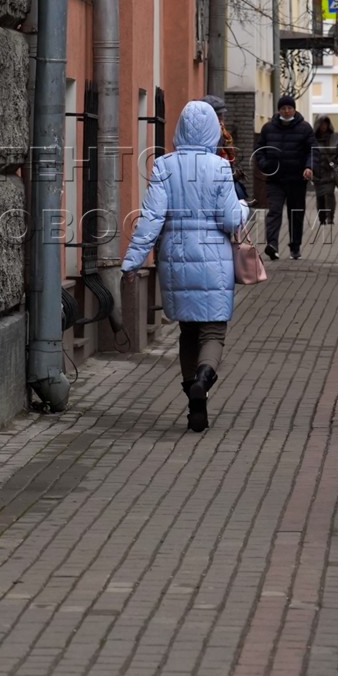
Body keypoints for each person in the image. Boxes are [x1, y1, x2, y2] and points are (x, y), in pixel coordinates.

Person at [122, 100, 251, 433]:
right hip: (214, 260)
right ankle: (204, 381)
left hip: (175, 258)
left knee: (188, 331)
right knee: (213, 330)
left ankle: (192, 393)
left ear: (179, 129)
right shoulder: (220, 168)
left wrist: (132, 260)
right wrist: (242, 207)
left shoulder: (163, 166)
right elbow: (229, 220)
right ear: (212, 129)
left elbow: (150, 219)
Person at [255, 94, 315, 261]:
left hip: (297, 179)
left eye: (289, 108)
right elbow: (259, 149)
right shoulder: (268, 128)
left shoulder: (304, 128)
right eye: (283, 108)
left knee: (295, 213)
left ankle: (295, 246)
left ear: (294, 109)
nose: (287, 111)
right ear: (278, 110)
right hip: (275, 179)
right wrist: (264, 164)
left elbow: (312, 149)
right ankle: (272, 244)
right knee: (274, 211)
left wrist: (309, 167)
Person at [310, 115, 338, 227]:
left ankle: (330, 217)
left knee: (329, 194)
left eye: (325, 124)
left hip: (330, 171)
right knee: (320, 196)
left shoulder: (335, 137)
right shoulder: (312, 139)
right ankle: (322, 218)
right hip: (317, 172)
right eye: (321, 124)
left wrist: (337, 162)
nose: (323, 126)